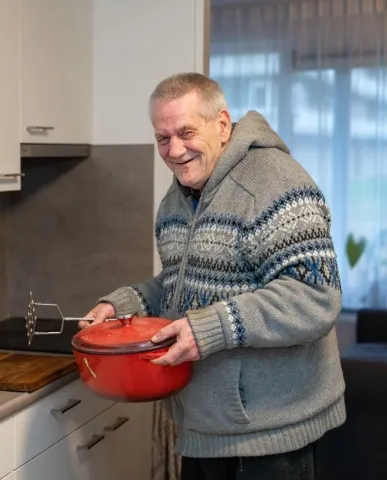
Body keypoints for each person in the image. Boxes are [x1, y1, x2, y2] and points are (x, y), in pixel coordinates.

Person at [79, 72, 346, 480]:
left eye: (186, 132)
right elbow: (182, 284)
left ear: (222, 125)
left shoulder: (276, 183)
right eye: (162, 138)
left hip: (271, 434)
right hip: (204, 424)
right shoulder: (177, 198)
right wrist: (123, 304)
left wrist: (211, 327)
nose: (175, 149)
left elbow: (313, 297)